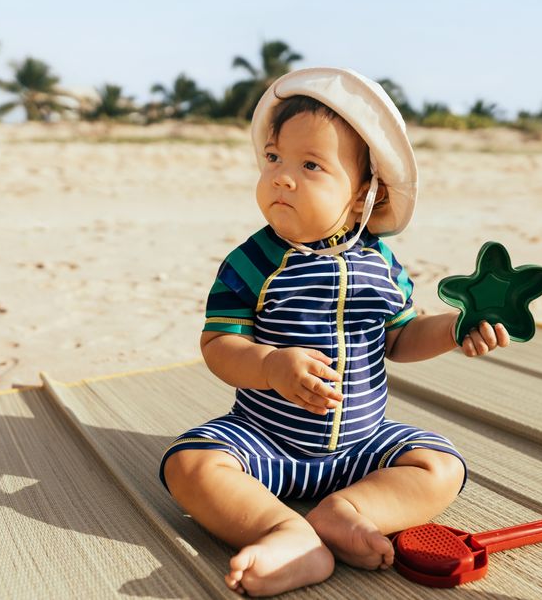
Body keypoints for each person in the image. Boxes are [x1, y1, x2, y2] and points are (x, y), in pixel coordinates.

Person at [159, 67, 510, 596]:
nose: (281, 176)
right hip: (265, 442)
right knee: (189, 464)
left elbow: (401, 338)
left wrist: (455, 329)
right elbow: (217, 346)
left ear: (363, 189)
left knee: (443, 466)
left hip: (361, 446)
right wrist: (269, 365)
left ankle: (345, 511)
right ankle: (286, 532)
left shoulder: (382, 263)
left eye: (311, 165)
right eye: (273, 158)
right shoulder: (253, 261)